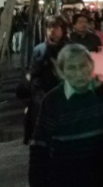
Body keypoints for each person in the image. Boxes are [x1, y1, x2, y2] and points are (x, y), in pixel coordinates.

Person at [29, 45, 103, 187]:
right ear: (61, 72)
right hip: (65, 181)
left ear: (92, 65)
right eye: (71, 68)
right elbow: (39, 147)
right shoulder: (52, 101)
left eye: (83, 65)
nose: (79, 73)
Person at [25, 16, 70, 144]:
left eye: (55, 27)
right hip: (46, 93)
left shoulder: (71, 48)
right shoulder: (39, 49)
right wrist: (39, 98)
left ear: (63, 29)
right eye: (49, 27)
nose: (52, 31)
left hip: (67, 92)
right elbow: (34, 74)